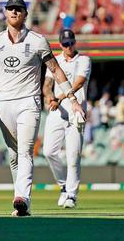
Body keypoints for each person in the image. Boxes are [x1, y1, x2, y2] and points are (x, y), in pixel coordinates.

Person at [0, 0, 85, 217]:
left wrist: (72, 98)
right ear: (5, 13)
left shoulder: (37, 40)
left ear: (25, 14)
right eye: (11, 9)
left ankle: (22, 197)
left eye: (19, 10)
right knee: (13, 155)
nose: (14, 12)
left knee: (25, 151)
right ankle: (22, 203)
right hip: (3, 102)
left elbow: (55, 69)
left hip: (28, 102)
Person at [42, 29, 91, 209]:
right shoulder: (56, 60)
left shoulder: (83, 60)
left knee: (73, 154)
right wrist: (49, 97)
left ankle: (71, 194)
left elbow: (78, 83)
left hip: (75, 112)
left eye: (71, 43)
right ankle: (63, 184)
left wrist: (60, 98)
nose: (69, 47)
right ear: (60, 44)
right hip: (56, 111)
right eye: (65, 44)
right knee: (49, 151)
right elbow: (47, 85)